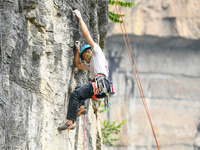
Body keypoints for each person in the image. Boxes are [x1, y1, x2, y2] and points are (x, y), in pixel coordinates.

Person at [57, 10, 114, 131]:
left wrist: (80, 18)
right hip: (102, 87)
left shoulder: (97, 52)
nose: (85, 60)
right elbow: (78, 65)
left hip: (100, 84)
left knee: (75, 95)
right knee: (79, 90)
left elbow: (87, 34)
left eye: (84, 56)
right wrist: (78, 52)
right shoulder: (94, 64)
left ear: (89, 52)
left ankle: (69, 122)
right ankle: (82, 107)